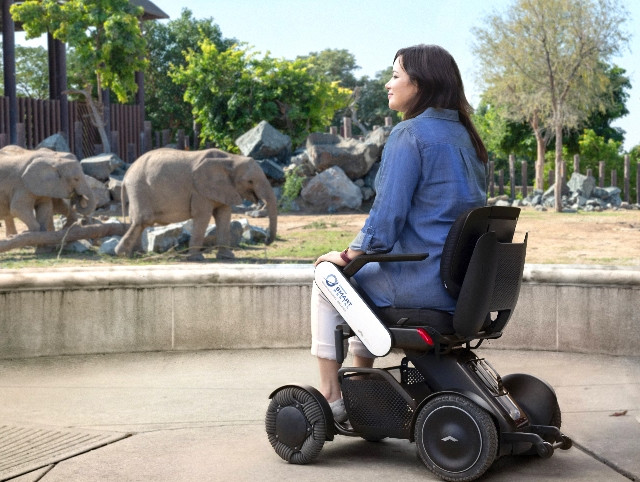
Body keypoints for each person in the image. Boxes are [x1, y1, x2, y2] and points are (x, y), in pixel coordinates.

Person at [311, 44, 489, 422]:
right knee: (359, 286)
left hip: (420, 283)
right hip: (460, 287)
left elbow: (385, 221)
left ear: (420, 84)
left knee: (329, 282)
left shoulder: (410, 135)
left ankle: (332, 397)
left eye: (395, 75)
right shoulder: (467, 138)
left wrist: (345, 257)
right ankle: (362, 381)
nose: (387, 84)